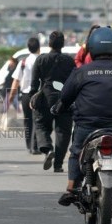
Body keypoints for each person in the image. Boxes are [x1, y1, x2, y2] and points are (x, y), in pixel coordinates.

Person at [53, 26, 112, 206]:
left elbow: (65, 97)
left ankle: (71, 188)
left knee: (76, 151)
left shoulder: (81, 72)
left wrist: (59, 107)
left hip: (86, 127)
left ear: (92, 48)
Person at [29, 31, 75, 172]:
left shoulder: (41, 60)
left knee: (41, 126)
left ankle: (48, 149)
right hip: (64, 100)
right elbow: (74, 82)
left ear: (49, 43)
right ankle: (58, 164)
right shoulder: (69, 61)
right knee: (63, 132)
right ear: (63, 44)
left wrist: (32, 98)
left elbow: (34, 83)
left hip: (45, 98)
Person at [8, 37, 41, 154]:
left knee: (27, 121)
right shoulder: (42, 60)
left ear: (28, 48)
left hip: (26, 95)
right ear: (39, 48)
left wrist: (11, 96)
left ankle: (29, 146)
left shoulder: (23, 62)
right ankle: (35, 146)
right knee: (38, 120)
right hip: (39, 95)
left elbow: (16, 81)